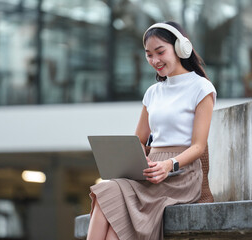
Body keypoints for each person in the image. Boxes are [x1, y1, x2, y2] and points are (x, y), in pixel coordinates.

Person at [87, 21, 216, 240]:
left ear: (180, 48)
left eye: (160, 52)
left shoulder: (201, 88)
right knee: (105, 192)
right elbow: (140, 139)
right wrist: (133, 160)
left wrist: (168, 165)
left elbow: (198, 146)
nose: (154, 60)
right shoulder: (153, 93)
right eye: (149, 54)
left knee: (113, 217)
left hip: (181, 174)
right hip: (149, 171)